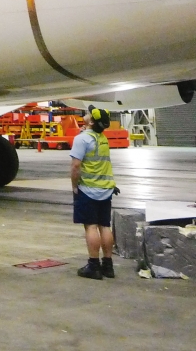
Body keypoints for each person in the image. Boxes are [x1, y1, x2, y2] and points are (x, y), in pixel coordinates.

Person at [70, 107, 117, 279]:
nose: (85, 114)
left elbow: (76, 166)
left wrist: (74, 187)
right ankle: (108, 265)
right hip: (105, 188)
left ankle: (93, 266)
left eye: (88, 114)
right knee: (104, 226)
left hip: (88, 189)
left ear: (91, 121)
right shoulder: (103, 138)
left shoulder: (81, 139)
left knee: (90, 226)